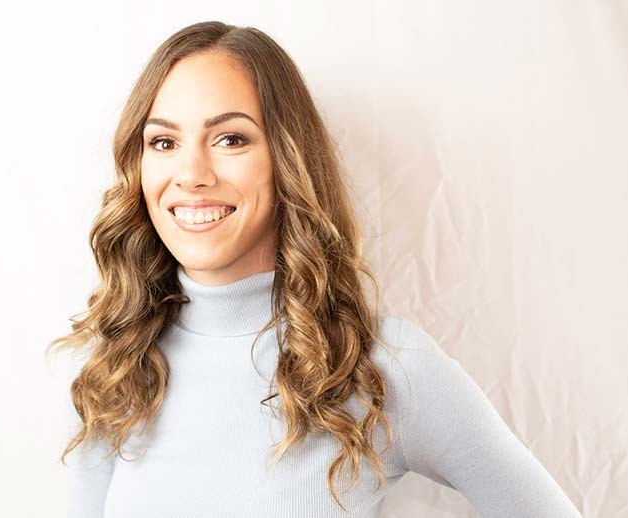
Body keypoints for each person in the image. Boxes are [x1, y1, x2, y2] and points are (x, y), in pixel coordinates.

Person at [48, 20, 583, 518]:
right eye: (163, 142)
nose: (191, 173)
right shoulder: (115, 373)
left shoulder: (383, 367)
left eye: (230, 139)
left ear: (287, 157)